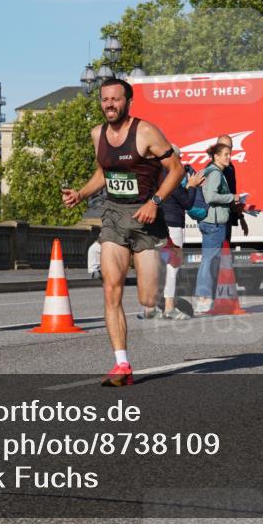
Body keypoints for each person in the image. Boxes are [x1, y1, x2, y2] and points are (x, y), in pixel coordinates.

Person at [62, 78, 183, 387]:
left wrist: (155, 202)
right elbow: (104, 171)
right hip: (114, 216)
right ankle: (122, 364)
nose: (109, 105)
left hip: (146, 218)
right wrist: (81, 193)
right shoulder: (97, 134)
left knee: (147, 299)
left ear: (128, 102)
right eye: (105, 100)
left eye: (115, 99)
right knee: (110, 288)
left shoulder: (146, 132)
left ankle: (167, 248)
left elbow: (177, 169)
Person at [159, 146, 205, 320]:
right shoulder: (172, 176)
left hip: (159, 224)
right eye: (179, 158)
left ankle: (151, 307)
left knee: (158, 266)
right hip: (173, 225)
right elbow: (186, 202)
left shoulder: (156, 175)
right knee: (172, 266)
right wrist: (192, 186)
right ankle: (169, 306)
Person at [194, 142, 237, 314]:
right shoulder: (216, 173)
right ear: (216, 156)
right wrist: (232, 197)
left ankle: (204, 298)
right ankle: (203, 298)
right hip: (214, 223)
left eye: (229, 154)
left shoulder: (212, 171)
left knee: (209, 260)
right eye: (225, 154)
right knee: (209, 261)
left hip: (210, 222)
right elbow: (210, 196)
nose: (228, 157)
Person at [215, 134, 249, 241]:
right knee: (216, 256)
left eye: (230, 147)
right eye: (224, 146)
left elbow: (232, 194)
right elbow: (211, 196)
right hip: (215, 222)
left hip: (227, 219)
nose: (228, 150)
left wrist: (240, 217)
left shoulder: (230, 168)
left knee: (225, 254)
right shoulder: (212, 169)